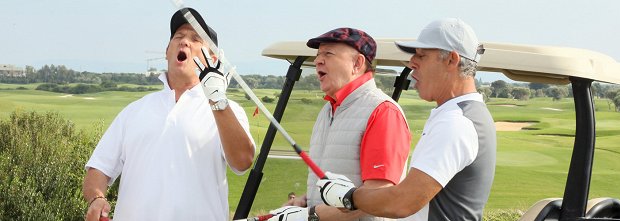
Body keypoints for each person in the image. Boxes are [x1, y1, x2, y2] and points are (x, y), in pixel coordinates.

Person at [82, 8, 255, 221]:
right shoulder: (134, 111)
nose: (184, 42)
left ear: (212, 57)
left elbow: (243, 161)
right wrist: (96, 198)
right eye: (178, 37)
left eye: (195, 39)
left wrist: (217, 100)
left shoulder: (228, 110)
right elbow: (98, 170)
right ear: (167, 50)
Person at [316, 18, 496, 221]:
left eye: (422, 56)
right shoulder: (463, 114)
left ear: (451, 60)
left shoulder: (456, 122)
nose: (412, 63)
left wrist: (349, 196)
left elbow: (401, 202)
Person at [268, 28, 412, 221]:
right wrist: (305, 202)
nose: (318, 60)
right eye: (318, 55)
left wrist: (310, 215)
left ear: (357, 63)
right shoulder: (327, 111)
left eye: (328, 53)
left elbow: (378, 197)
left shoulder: (383, 112)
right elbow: (336, 188)